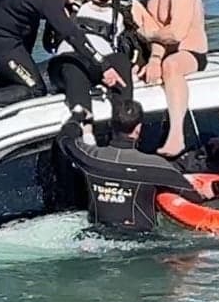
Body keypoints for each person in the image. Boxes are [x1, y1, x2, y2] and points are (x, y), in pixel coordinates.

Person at [56, 100, 202, 233]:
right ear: (138, 129)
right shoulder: (157, 167)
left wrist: (77, 116)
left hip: (97, 238)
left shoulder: (90, 157)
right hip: (142, 243)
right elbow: (193, 196)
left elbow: (64, 139)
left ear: (111, 125)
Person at [45, 0, 152, 117]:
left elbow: (153, 34)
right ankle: (82, 126)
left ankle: (124, 124)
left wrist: (154, 61)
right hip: (71, 62)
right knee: (74, 67)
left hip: (106, 67)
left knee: (121, 61)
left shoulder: (126, 5)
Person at [130, 0, 209, 157]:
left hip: (188, 52)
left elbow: (175, 34)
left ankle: (177, 135)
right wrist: (154, 58)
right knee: (131, 5)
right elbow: (155, 23)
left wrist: (149, 36)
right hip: (160, 47)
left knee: (172, 66)